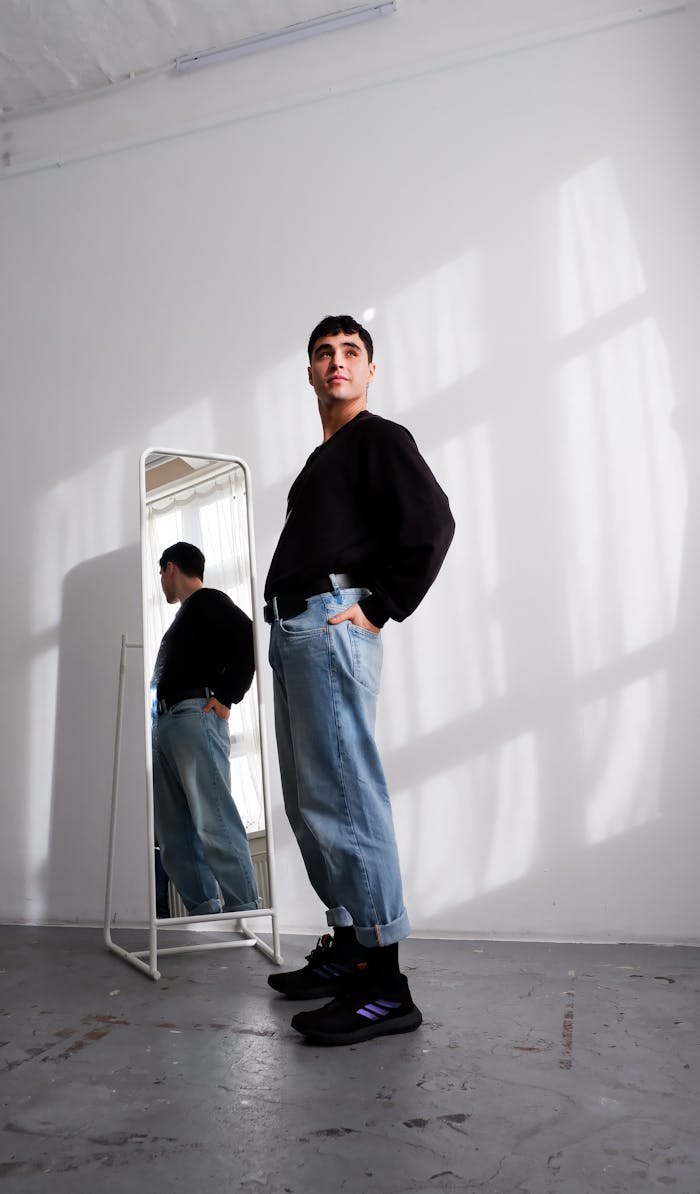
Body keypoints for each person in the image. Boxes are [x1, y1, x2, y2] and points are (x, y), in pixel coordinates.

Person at [265, 315, 455, 1045]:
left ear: (369, 371)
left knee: (347, 798)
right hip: (295, 632)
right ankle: (349, 949)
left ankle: (385, 986)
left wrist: (379, 606)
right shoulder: (323, 460)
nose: (336, 362)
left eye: (350, 352)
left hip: (330, 624)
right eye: (323, 353)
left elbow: (433, 523)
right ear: (309, 373)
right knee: (312, 802)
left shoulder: (379, 438)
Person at [151, 541, 261, 917]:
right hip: (167, 723)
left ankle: (245, 909)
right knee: (173, 831)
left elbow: (250, 637)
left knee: (213, 816)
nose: (160, 584)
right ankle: (204, 913)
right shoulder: (186, 617)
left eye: (160, 574)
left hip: (193, 716)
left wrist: (229, 696)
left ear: (170, 569)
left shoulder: (209, 601)